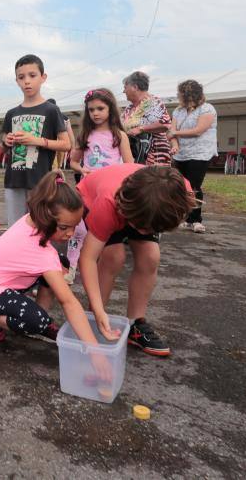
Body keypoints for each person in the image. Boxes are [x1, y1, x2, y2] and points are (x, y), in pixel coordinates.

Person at [0, 172, 115, 376]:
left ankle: (35, 310)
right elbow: (68, 302)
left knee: (59, 263)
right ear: (45, 216)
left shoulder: (31, 220)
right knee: (38, 321)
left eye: (75, 226)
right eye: (64, 227)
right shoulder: (41, 253)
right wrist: (94, 352)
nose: (70, 233)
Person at [77, 164, 195, 356]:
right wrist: (98, 310)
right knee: (113, 256)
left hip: (141, 206)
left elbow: (147, 225)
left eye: (147, 229)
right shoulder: (107, 203)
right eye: (139, 226)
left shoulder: (179, 192)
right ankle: (94, 318)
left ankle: (135, 324)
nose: (140, 233)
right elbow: (88, 258)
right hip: (97, 198)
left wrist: (145, 226)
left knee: (150, 256)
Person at [66, 89, 133, 283]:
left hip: (109, 192)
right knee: (78, 228)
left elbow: (130, 166)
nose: (95, 113)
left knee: (104, 233)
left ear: (110, 109)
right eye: (91, 109)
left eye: (100, 108)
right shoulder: (84, 135)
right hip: (87, 190)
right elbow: (73, 162)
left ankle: (98, 269)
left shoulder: (119, 135)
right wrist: (82, 170)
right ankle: (69, 267)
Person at [2, 54, 71, 227]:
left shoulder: (51, 110)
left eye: (32, 76)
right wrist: (6, 141)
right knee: (15, 229)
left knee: (40, 229)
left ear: (43, 77)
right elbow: (3, 146)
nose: (27, 81)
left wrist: (37, 140)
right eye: (21, 77)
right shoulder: (11, 113)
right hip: (13, 181)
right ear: (16, 80)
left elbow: (66, 144)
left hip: (40, 182)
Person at [168, 79, 217, 234]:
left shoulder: (207, 109)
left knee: (194, 186)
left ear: (188, 95)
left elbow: (198, 130)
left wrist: (175, 133)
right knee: (181, 186)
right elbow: (171, 132)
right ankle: (187, 219)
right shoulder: (178, 111)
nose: (177, 96)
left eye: (179, 93)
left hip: (200, 152)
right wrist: (175, 145)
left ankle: (196, 220)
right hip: (182, 154)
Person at [121, 71, 172, 166]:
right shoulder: (129, 108)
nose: (123, 91)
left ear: (135, 87)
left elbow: (165, 124)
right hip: (135, 155)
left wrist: (141, 129)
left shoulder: (153, 103)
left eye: (125, 88)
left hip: (154, 156)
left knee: (152, 180)